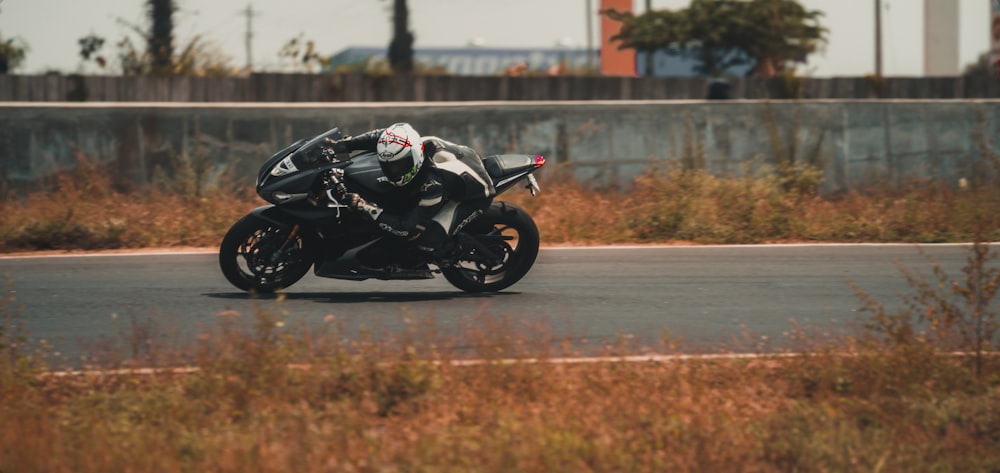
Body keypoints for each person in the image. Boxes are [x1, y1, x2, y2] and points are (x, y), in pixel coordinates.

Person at [330, 122, 496, 266]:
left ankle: (455, 248)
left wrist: (364, 207)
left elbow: (407, 229)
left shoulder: (432, 185)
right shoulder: (406, 142)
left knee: (427, 242)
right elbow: (381, 136)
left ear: (414, 158)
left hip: (472, 197)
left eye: (398, 166)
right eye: (388, 166)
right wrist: (344, 144)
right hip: (457, 163)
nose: (392, 171)